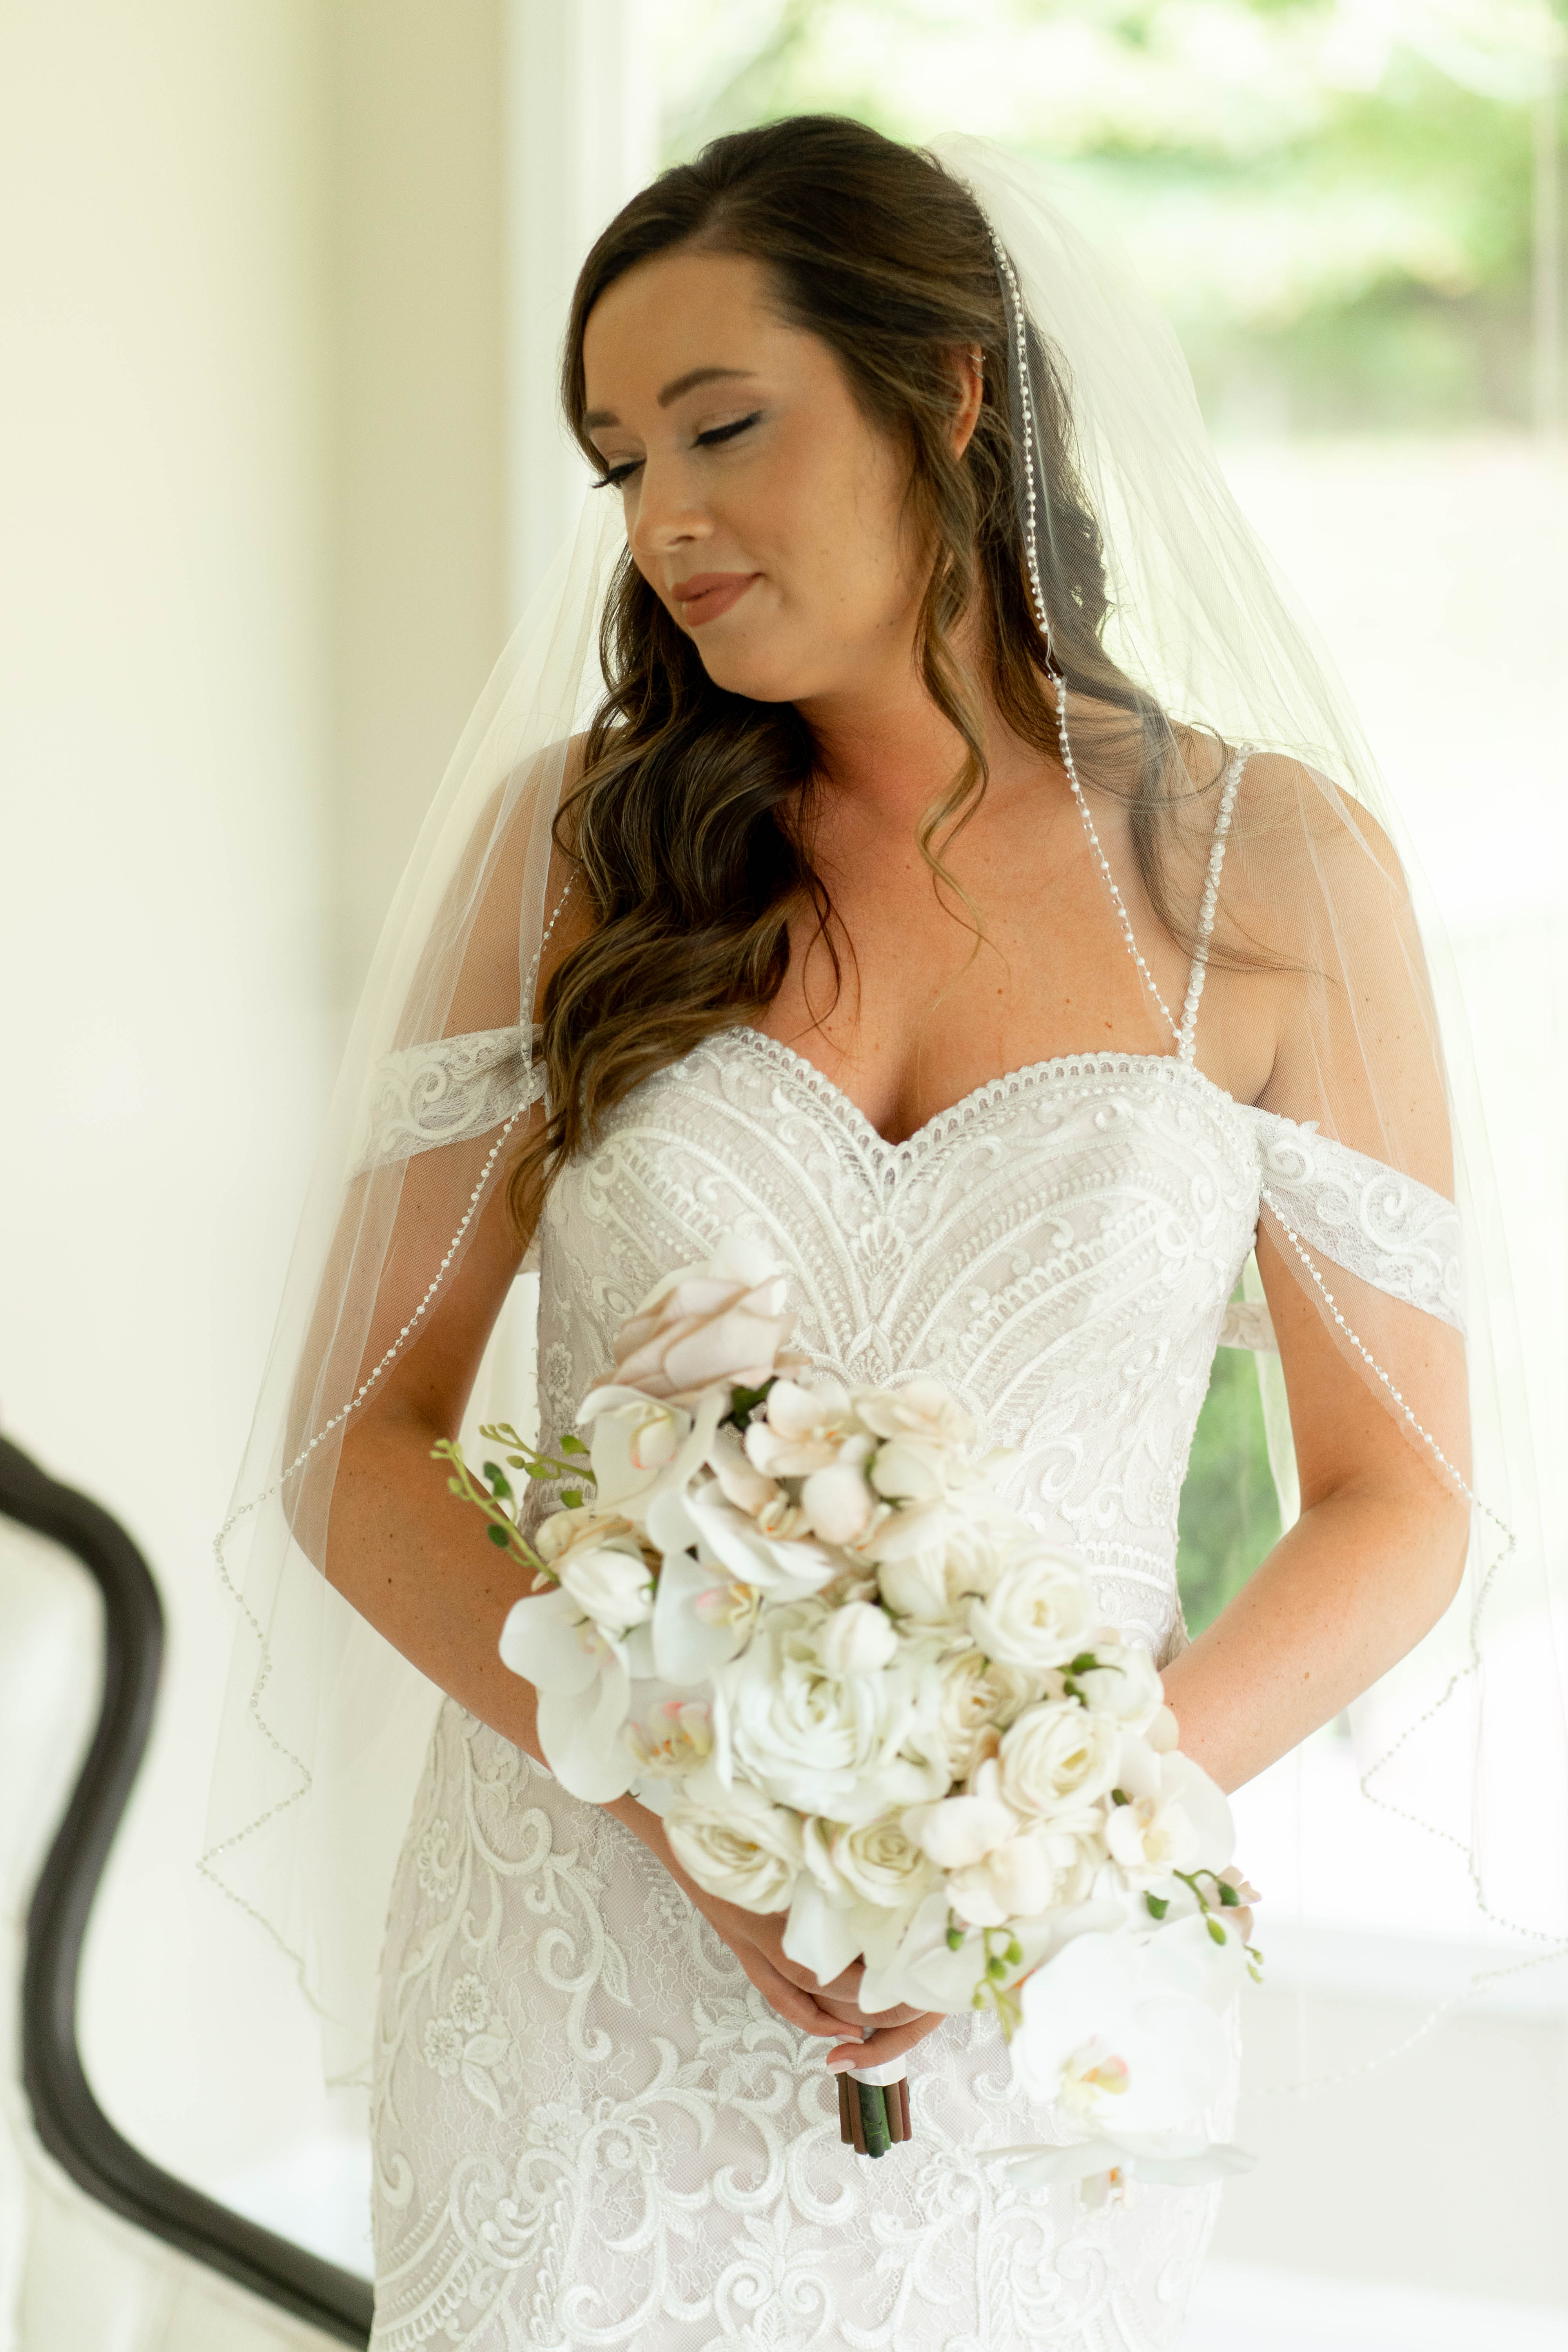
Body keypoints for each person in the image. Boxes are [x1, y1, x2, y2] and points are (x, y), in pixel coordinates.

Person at [207, 116, 1541, 2350]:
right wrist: (678, 1810)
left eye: (724, 427)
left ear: (947, 393)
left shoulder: (1270, 878)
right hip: (572, 1980)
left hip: (1050, 1992)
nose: (665, 522)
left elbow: (1403, 1496)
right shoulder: (578, 853)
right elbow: (358, 1437)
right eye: (621, 461)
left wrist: (1034, 1845)